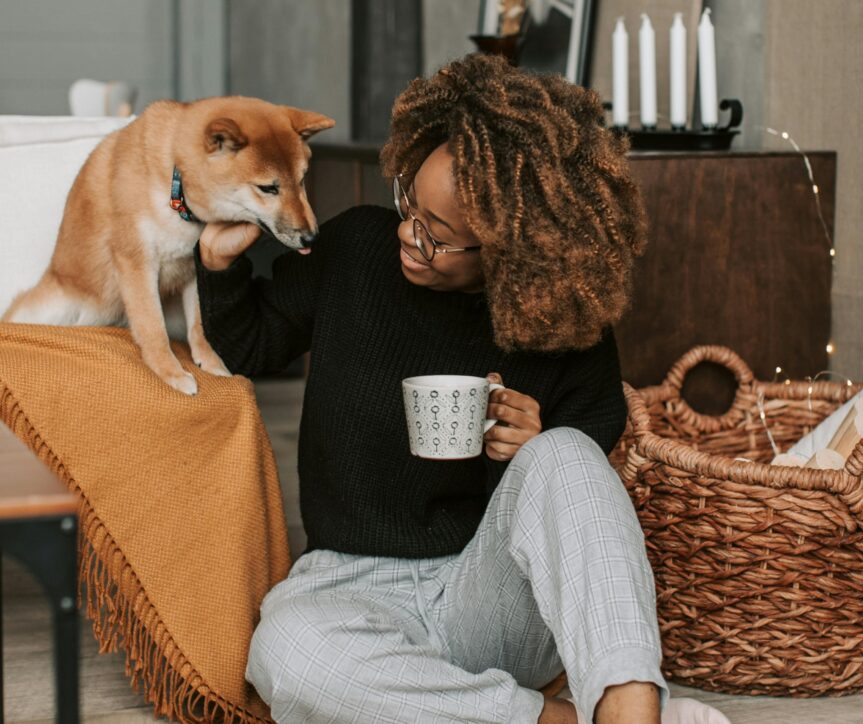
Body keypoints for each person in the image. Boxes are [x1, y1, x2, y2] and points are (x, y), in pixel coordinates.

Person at [194, 54, 727, 724]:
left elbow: (578, 494)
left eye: (438, 237)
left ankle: (628, 708)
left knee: (563, 454)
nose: (408, 237)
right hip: (349, 585)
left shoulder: (564, 320)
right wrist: (218, 267)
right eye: (409, 205)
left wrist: (526, 447)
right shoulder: (357, 249)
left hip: (490, 593)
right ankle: (549, 721)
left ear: (511, 249)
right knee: (289, 654)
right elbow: (252, 344)